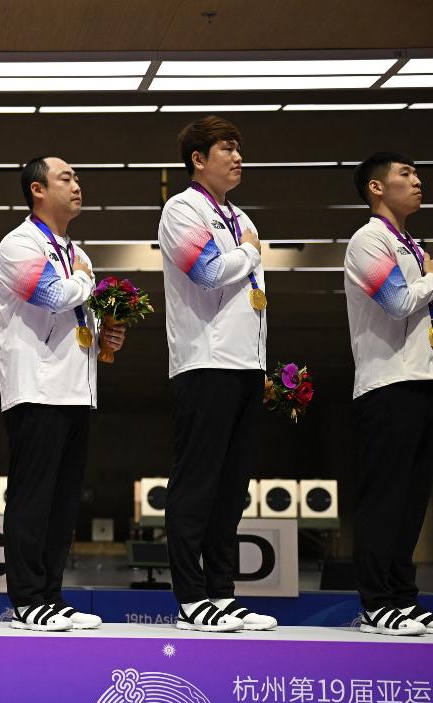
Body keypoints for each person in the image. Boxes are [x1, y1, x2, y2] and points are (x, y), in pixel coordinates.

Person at [0, 156, 124, 632]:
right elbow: (49, 295)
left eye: (77, 177)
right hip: (36, 387)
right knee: (33, 499)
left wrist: (104, 332)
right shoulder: (18, 244)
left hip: (75, 388)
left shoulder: (76, 252)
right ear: (37, 190)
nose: (77, 185)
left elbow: (74, 307)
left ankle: (51, 595)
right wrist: (88, 286)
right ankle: (27, 600)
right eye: (66, 178)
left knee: (64, 501)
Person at [158, 116, 277, 633]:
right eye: (227, 148)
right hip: (204, 362)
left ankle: (223, 595)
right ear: (197, 159)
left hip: (245, 364)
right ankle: (190, 598)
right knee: (197, 484)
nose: (238, 157)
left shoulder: (239, 216)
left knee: (233, 488)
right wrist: (249, 250)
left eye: (240, 148)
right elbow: (206, 273)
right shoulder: (181, 208)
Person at [344, 152, 433, 636]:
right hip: (385, 385)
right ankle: (377, 603)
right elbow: (397, 302)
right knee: (386, 498)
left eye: (416, 174)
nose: (417, 181)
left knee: (413, 499)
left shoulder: (412, 245)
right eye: (406, 174)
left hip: (418, 382)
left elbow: (421, 328)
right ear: (377, 188)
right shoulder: (368, 239)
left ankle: (403, 597)